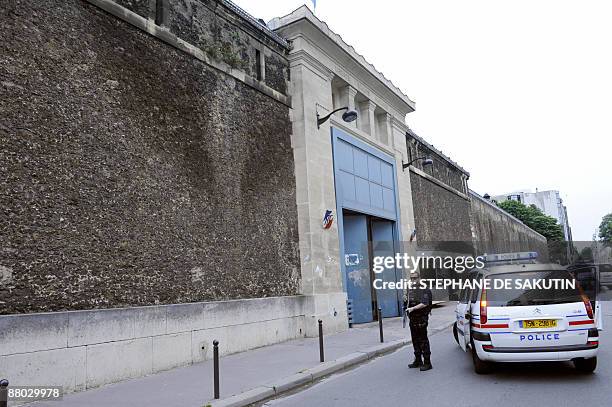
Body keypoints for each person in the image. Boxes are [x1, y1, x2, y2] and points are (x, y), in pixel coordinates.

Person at [404, 274, 433, 371]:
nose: (413, 280)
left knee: (423, 340)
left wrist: (412, 308)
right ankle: (418, 360)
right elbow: (408, 301)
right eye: (411, 278)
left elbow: (425, 303)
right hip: (413, 319)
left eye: (415, 278)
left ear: (419, 278)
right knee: (415, 340)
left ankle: (427, 362)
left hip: (421, 318)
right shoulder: (411, 289)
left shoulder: (424, 289)